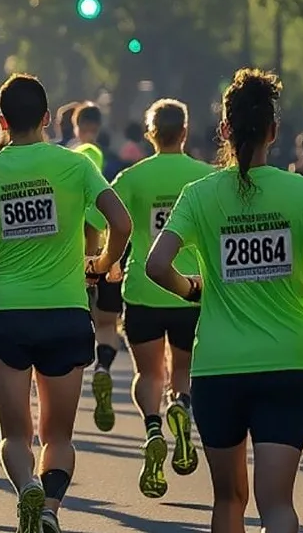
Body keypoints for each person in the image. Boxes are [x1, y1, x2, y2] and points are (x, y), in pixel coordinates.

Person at [145, 68, 303, 533]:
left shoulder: (198, 195)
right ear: (273, 131)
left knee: (229, 499)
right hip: (289, 361)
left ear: (224, 130)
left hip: (219, 366)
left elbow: (156, 265)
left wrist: (192, 288)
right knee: (277, 503)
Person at [0, 73, 131, 533]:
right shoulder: (75, 166)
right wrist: (102, 264)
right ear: (46, 118)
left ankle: (27, 487)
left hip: (7, 314)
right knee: (58, 437)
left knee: (15, 435)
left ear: (2, 121)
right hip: (65, 313)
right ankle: (49, 511)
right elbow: (120, 223)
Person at [111, 98, 213, 498]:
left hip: (144, 289)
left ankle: (153, 427)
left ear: (149, 134)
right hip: (190, 290)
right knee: (182, 369)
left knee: (148, 373)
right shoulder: (205, 177)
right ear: (185, 132)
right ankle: (181, 405)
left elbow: (103, 222)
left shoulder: (132, 177)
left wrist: (105, 262)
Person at [72, 102, 123, 433]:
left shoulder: (69, 162)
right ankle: (103, 366)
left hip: (73, 262)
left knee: (77, 323)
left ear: (76, 127)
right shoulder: (113, 164)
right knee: (107, 324)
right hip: (109, 257)